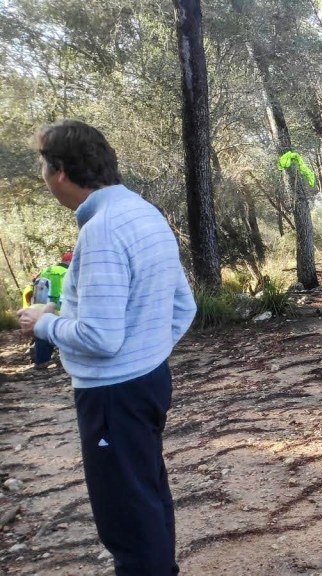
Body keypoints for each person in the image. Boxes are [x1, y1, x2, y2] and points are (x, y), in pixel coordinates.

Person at [17, 119, 196, 576]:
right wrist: (148, 351)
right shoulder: (144, 212)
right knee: (147, 496)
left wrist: (45, 324)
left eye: (42, 166)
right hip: (148, 383)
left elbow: (99, 337)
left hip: (112, 396)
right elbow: (183, 305)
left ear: (58, 171)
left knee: (126, 518)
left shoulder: (101, 231)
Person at [27, 250, 72, 367]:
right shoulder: (68, 272)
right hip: (60, 307)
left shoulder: (46, 270)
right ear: (70, 262)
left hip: (42, 307)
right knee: (64, 332)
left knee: (43, 333)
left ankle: (41, 361)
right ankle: (65, 360)